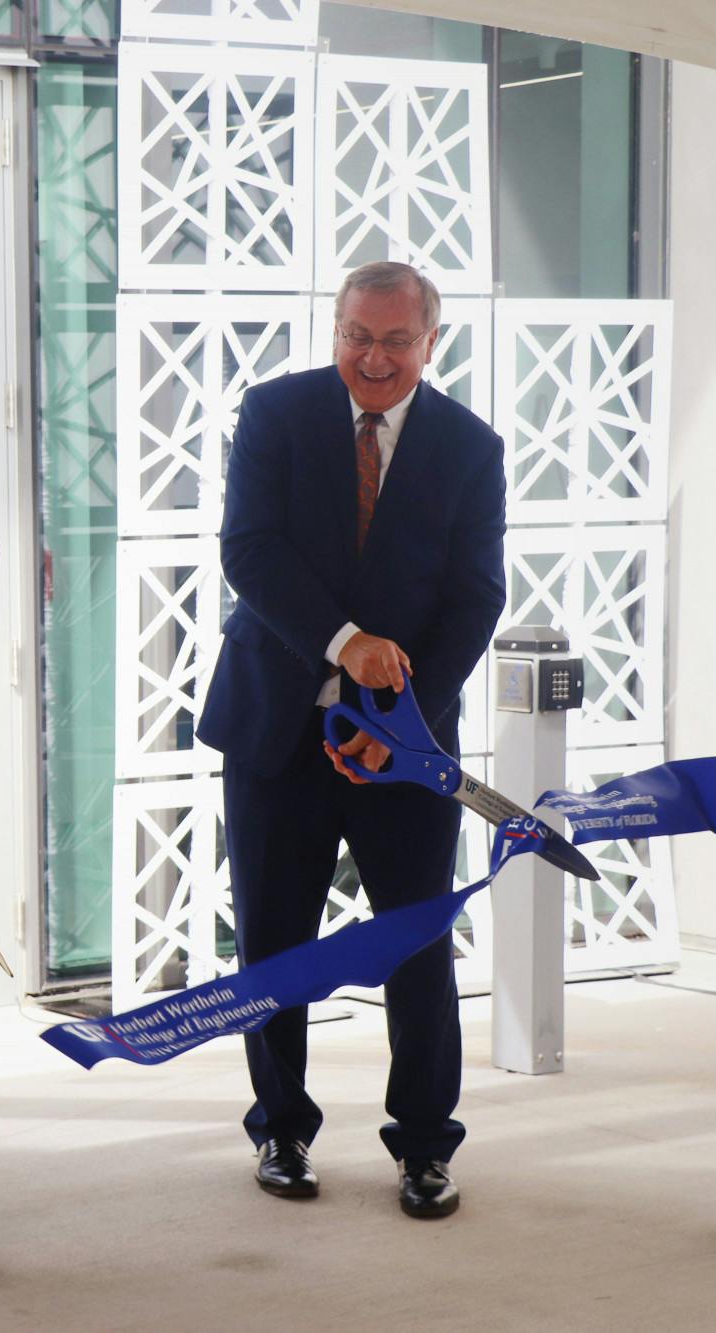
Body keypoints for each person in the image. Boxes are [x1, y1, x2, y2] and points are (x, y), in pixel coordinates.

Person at [194, 261, 505, 1220]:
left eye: (395, 341)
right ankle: (280, 1128)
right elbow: (249, 549)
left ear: (432, 342)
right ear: (335, 330)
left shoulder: (470, 446)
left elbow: (475, 595)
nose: (372, 358)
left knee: (417, 948)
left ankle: (424, 1147)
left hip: (404, 749)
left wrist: (397, 725)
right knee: (272, 944)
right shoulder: (276, 413)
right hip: (274, 726)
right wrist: (345, 645)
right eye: (356, 336)